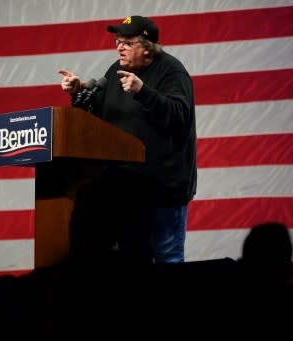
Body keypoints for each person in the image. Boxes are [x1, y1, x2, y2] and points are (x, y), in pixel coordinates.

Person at [58, 15, 197, 264]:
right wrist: (80, 91)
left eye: (127, 42)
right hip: (126, 190)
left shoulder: (171, 71)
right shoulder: (115, 71)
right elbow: (99, 118)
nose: (119, 47)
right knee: (133, 260)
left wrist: (143, 92)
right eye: (117, 41)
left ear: (147, 47)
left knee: (168, 258)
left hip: (163, 189)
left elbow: (179, 117)